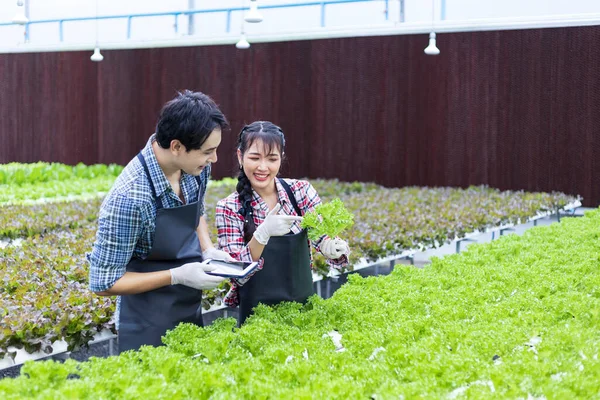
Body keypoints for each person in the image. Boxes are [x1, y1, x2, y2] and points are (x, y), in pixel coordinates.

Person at [88, 90, 236, 353]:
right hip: (145, 321)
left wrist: (208, 249)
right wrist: (176, 276)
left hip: (187, 307)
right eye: (208, 152)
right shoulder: (130, 197)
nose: (214, 159)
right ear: (177, 147)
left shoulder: (196, 168)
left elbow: (196, 209)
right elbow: (104, 283)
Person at [215, 121, 351, 326]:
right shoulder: (229, 207)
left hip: (304, 313)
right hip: (257, 322)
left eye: (272, 159)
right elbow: (235, 275)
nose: (263, 167)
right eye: (254, 157)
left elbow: (322, 236)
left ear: (281, 159)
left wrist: (333, 248)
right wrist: (261, 235)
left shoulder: (300, 192)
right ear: (240, 157)